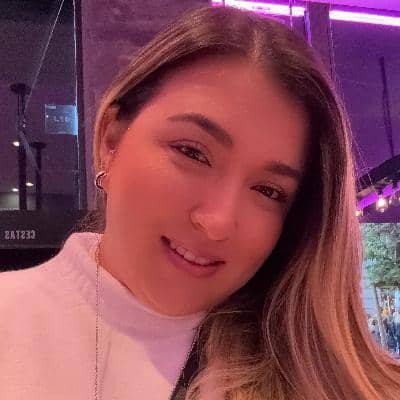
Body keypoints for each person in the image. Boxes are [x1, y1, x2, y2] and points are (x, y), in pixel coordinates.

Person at [1, 5, 400, 400]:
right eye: (192, 152)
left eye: (268, 191)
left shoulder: (329, 381)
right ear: (111, 139)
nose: (218, 221)